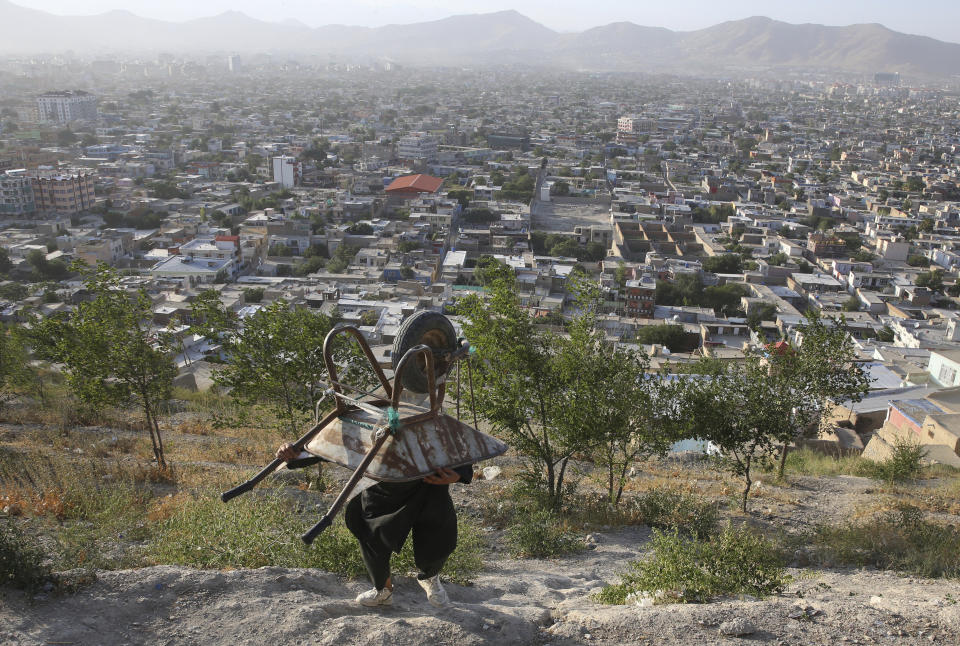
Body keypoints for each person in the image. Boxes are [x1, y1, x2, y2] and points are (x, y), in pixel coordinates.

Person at [276, 443, 473, 608]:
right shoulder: (367, 411)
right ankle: (383, 591)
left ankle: (430, 577)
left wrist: (458, 473)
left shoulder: (431, 413)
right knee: (371, 535)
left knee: (438, 537)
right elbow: (332, 442)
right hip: (380, 486)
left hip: (429, 484)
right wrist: (293, 454)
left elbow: (458, 445)